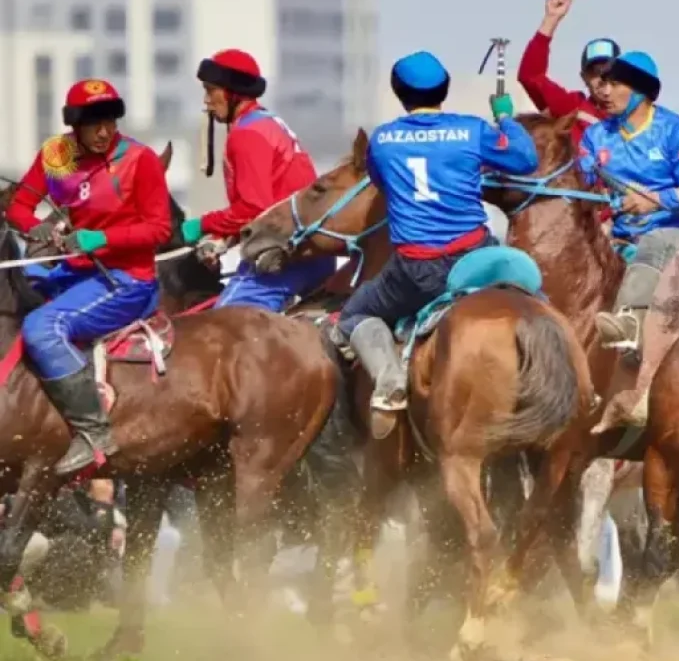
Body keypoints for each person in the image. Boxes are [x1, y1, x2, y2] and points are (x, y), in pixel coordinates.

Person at [325, 51, 539, 411]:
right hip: (475, 258)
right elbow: (525, 160)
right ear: (445, 89)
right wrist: (505, 117)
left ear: (398, 92)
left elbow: (382, 181)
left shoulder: (382, 140)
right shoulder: (472, 130)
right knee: (535, 300)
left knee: (354, 315)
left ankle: (389, 379)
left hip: (415, 271)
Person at [7, 79, 173, 476]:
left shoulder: (140, 159)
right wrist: (35, 228)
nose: (104, 132)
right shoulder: (58, 154)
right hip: (73, 273)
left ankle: (94, 431)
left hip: (128, 280)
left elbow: (160, 229)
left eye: (110, 122)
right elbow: (19, 206)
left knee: (43, 327)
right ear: (75, 126)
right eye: (94, 124)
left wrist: (101, 238)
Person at [182, 49, 335, 310]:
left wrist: (200, 225)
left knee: (222, 326)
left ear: (232, 92)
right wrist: (223, 238)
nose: (206, 101)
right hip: (313, 251)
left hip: (287, 255)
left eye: (211, 91)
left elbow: (253, 209)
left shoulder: (247, 134)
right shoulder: (266, 122)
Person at [581, 51, 679, 354]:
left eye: (613, 84)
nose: (602, 90)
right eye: (601, 83)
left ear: (640, 90)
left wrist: (655, 202)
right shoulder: (594, 136)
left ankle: (629, 321)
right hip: (620, 240)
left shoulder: (678, 131)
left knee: (654, 240)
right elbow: (580, 183)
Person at [517, 0, 620, 145]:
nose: (602, 78)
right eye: (595, 72)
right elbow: (530, 76)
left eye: (609, 71)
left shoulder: (637, 115)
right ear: (584, 77)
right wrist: (551, 19)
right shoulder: (572, 109)